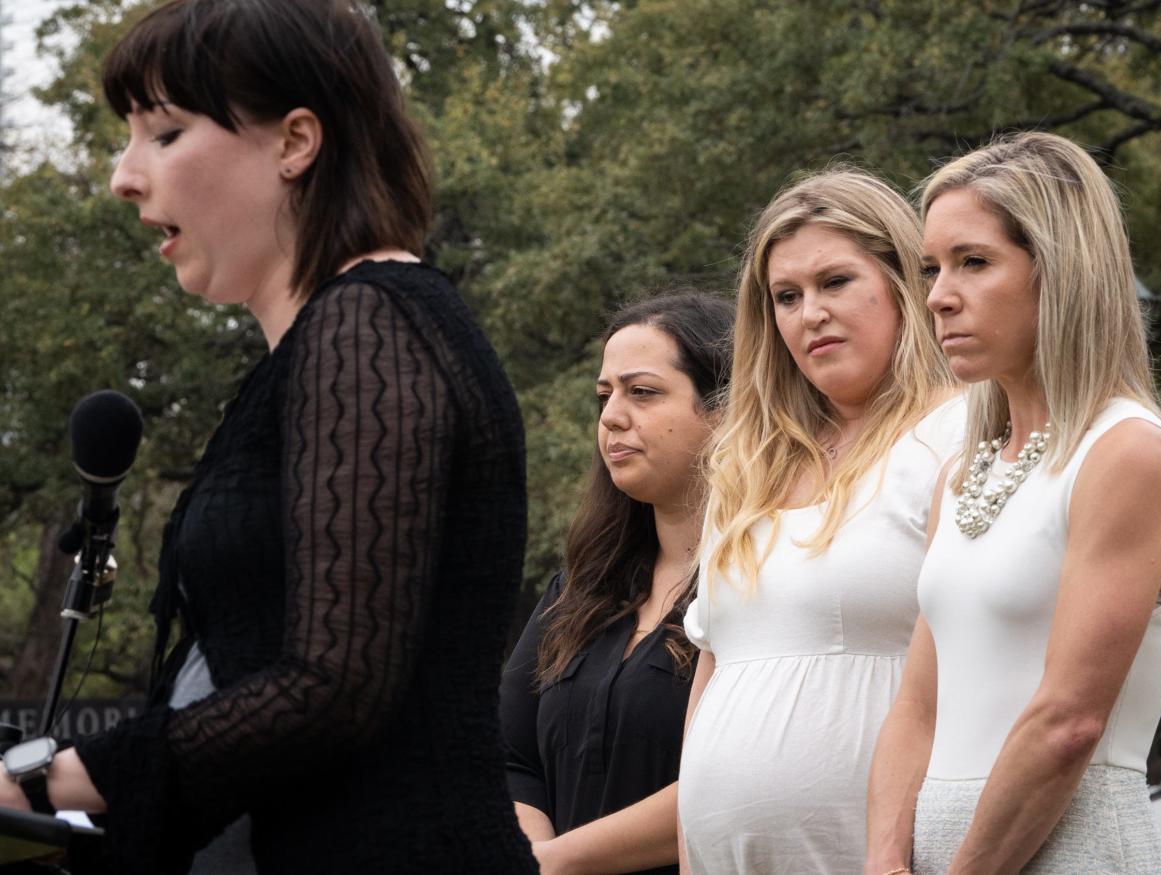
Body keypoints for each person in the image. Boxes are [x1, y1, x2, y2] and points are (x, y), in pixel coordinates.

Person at [0, 1, 538, 873]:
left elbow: (333, 688)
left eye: (165, 133)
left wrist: (42, 783)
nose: (124, 177)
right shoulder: (331, 342)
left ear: (295, 142)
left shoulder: (367, 324)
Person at [865, 132, 1161, 875]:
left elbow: (1068, 722)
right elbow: (916, 706)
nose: (937, 295)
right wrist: (887, 858)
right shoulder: (961, 472)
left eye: (973, 262)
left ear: (1060, 271)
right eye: (932, 268)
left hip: (1075, 848)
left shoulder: (1128, 453)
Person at [677, 168, 962, 873]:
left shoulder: (959, 434)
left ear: (903, 282)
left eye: (835, 281)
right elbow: (715, 668)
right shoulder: (747, 465)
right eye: (786, 296)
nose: (810, 314)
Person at [500, 292, 734, 875]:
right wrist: (532, 852)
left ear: (725, 407)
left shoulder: (771, 585)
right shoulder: (577, 593)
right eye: (604, 396)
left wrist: (554, 863)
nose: (611, 416)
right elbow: (511, 755)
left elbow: (742, 775)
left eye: (643, 392)